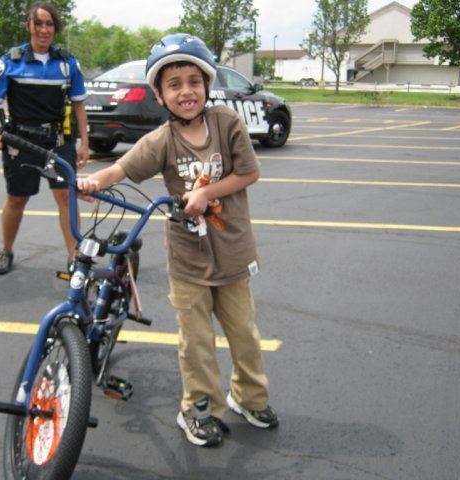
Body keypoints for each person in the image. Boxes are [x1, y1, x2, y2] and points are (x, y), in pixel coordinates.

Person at [78, 33, 278, 447]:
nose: (186, 91)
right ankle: (199, 410)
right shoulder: (162, 141)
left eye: (194, 81)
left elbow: (249, 173)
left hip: (234, 252)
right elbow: (120, 169)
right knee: (198, 343)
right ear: (159, 94)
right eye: (174, 84)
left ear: (207, 84)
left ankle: (248, 397)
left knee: (244, 333)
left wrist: (206, 192)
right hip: (189, 260)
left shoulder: (227, 123)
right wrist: (93, 182)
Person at [0, 1, 89, 275]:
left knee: (66, 198)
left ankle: (74, 256)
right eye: (38, 23)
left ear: (56, 28)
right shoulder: (11, 61)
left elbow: (79, 105)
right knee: (17, 199)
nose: (44, 29)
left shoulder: (67, 63)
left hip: (58, 142)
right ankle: (6, 250)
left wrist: (84, 143)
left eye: (49, 24)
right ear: (28, 25)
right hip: (20, 143)